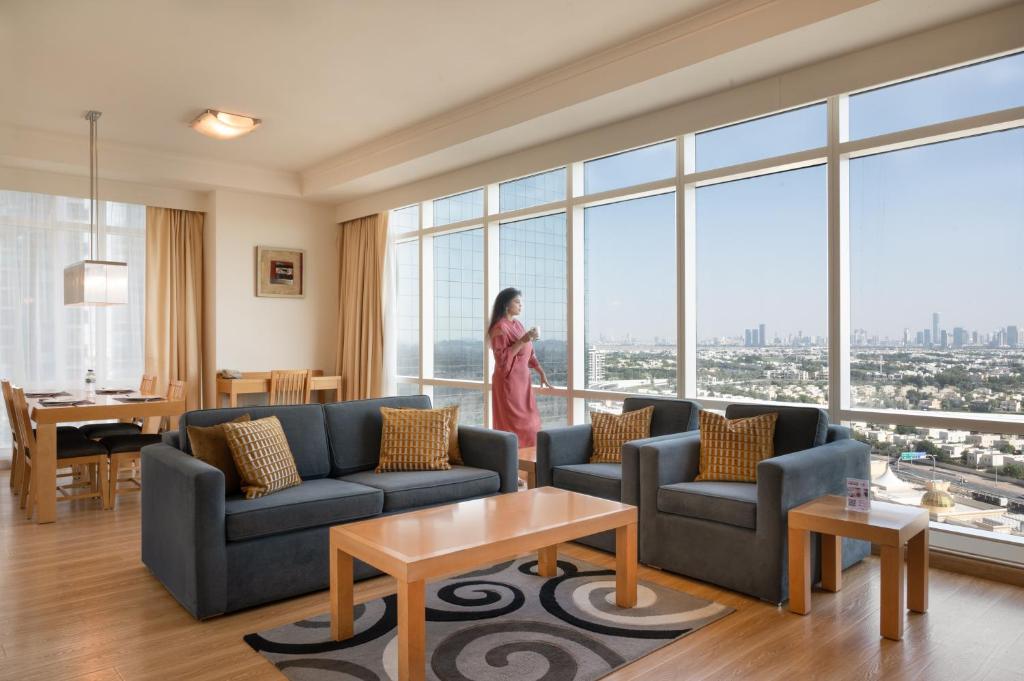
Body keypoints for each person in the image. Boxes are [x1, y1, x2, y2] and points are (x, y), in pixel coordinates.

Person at [488, 287, 550, 448]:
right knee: (514, 425)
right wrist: (523, 339)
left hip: (523, 383)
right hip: (509, 383)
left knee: (532, 424)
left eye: (521, 302)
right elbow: (502, 360)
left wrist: (540, 371)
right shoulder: (499, 328)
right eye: (517, 302)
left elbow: (528, 353)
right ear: (506, 305)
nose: (520, 305)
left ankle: (529, 466)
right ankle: (512, 465)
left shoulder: (517, 324)